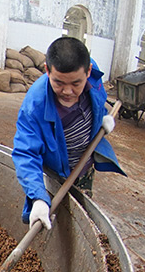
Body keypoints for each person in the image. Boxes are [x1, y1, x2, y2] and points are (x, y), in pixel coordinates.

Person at [12, 37, 123, 231]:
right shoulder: (35, 105)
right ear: (47, 70)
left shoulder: (93, 73)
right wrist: (38, 197)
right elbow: (26, 152)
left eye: (76, 83)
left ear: (88, 71)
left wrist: (102, 118)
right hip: (57, 173)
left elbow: (99, 97)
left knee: (82, 212)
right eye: (59, 83)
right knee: (58, 218)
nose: (68, 91)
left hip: (85, 164)